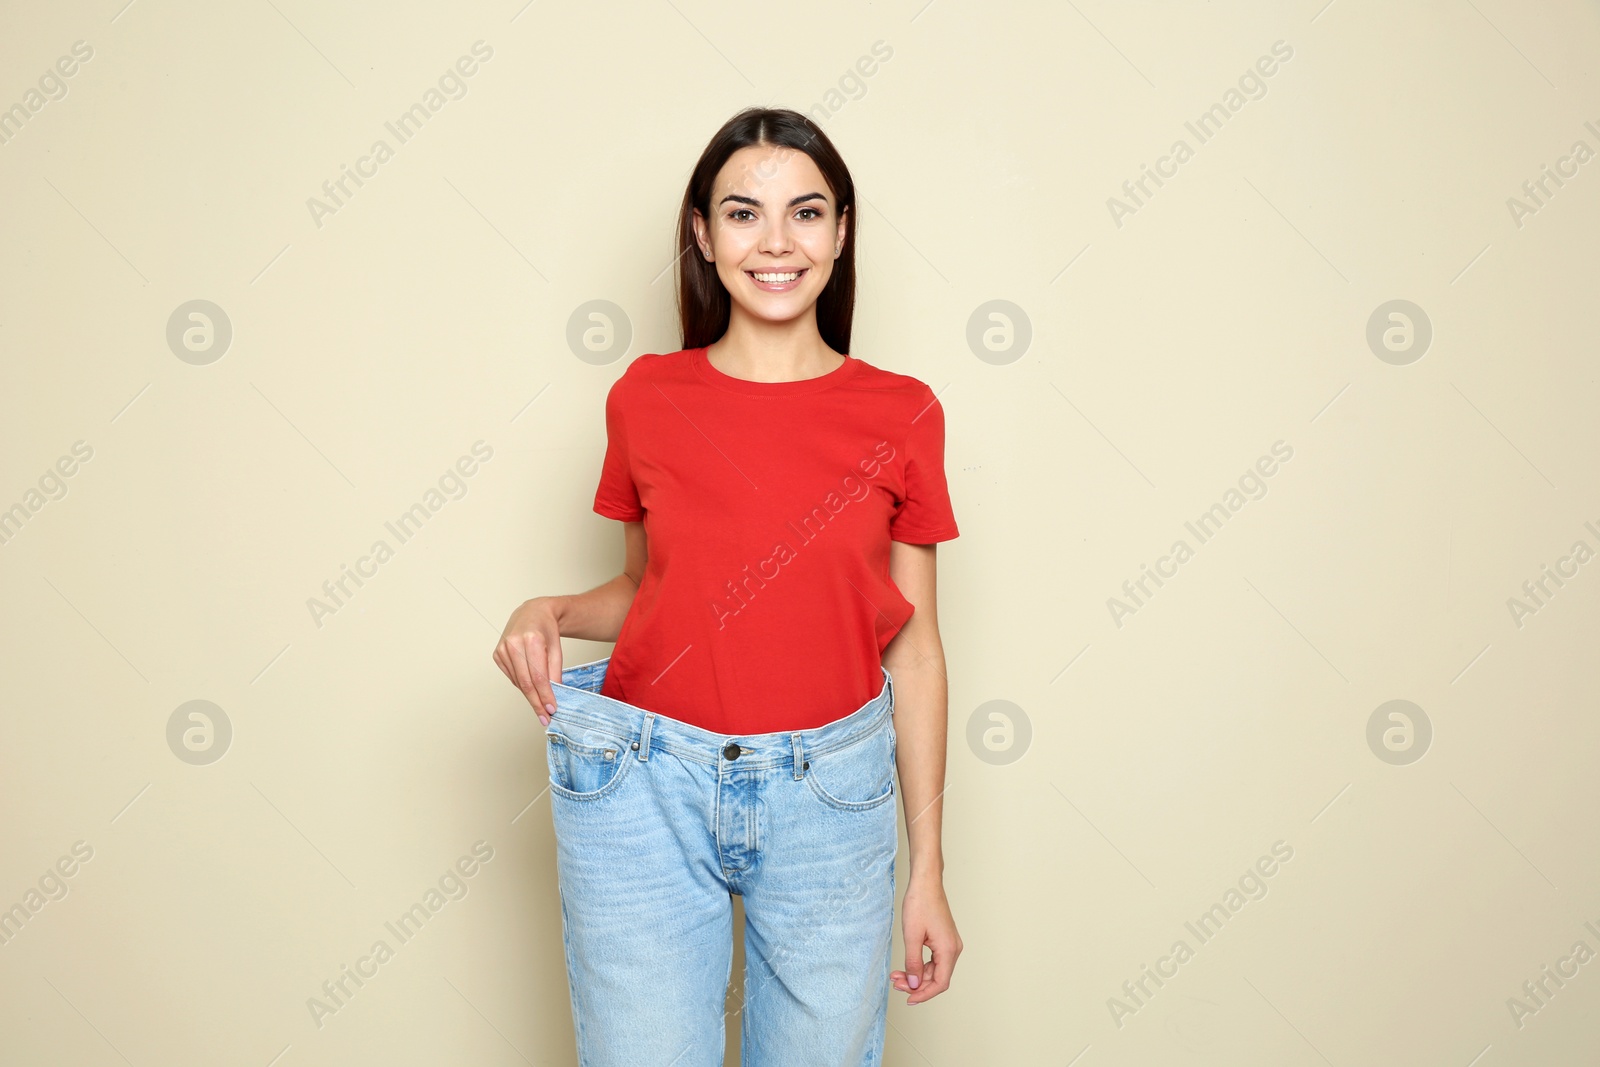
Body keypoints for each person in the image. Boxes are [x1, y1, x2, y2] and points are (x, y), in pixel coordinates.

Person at [492, 106, 963, 1067]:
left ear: (841, 233)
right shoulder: (647, 397)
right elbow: (649, 589)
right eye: (744, 214)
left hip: (833, 794)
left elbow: (914, 648)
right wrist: (551, 612)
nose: (777, 242)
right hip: (642, 784)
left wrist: (928, 870)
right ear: (703, 236)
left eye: (807, 212)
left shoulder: (903, 413)